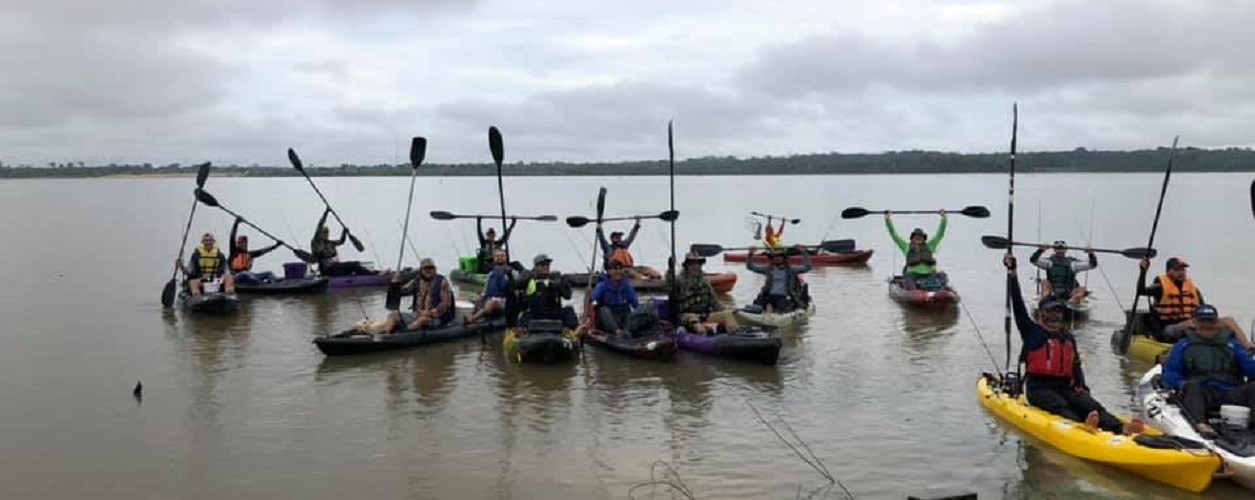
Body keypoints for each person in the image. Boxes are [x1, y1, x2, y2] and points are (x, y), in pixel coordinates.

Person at [1004, 252, 1143, 435]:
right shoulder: (1032, 331)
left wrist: (1083, 390)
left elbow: (1076, 367)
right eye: (1051, 311)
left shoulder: (1067, 337)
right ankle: (1083, 427)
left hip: (1065, 386)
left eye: (1058, 311)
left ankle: (1121, 428)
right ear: (1042, 313)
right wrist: (1012, 273)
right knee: (1062, 407)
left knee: (1090, 405)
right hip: (1039, 388)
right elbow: (1018, 304)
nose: (1055, 315)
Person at [1161, 304, 1255, 438]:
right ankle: (1201, 425)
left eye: (1211, 321)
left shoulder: (1232, 344)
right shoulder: (1183, 345)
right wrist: (1181, 384)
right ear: (1195, 323)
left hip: (1229, 394)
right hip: (1201, 394)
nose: (1207, 326)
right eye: (1202, 322)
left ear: (1217, 323)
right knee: (1193, 386)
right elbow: (1171, 373)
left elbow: (1250, 368)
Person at [670, 252, 739, 335]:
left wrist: (726, 310)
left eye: (698, 264)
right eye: (692, 264)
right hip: (687, 315)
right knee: (697, 325)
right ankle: (702, 336)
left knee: (727, 315)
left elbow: (714, 301)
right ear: (687, 265)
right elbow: (667, 286)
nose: (695, 267)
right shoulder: (679, 280)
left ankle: (735, 335)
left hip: (704, 314)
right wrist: (670, 269)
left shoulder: (704, 281)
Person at [1138, 257, 1204, 341]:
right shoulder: (1160, 288)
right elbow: (1141, 291)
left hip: (1190, 326)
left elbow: (1203, 310)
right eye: (1176, 269)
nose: (1181, 273)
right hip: (1166, 329)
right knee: (1186, 326)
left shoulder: (1194, 291)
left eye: (1183, 270)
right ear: (1168, 272)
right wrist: (1143, 271)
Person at [379, 258, 454, 331]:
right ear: (421, 270)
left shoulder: (442, 282)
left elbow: (445, 304)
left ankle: (406, 332)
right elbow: (402, 292)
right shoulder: (416, 281)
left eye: (431, 268)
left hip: (437, 318)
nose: (428, 270)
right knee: (393, 315)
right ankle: (386, 333)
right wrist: (395, 284)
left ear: (435, 269)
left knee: (422, 320)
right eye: (426, 268)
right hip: (417, 315)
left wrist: (429, 313)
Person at [885, 210, 947, 290]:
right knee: (908, 276)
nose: (918, 238)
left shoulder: (931, 245)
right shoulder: (906, 246)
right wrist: (888, 220)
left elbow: (940, 234)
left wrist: (944, 218)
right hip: (913, 274)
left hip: (929, 274)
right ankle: (914, 292)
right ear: (912, 238)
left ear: (923, 238)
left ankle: (941, 291)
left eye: (920, 237)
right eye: (916, 236)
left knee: (942, 275)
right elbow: (894, 235)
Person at [515, 254, 578, 329]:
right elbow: (516, 288)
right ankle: (521, 333)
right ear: (535, 266)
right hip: (535, 312)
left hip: (553, 312)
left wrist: (565, 284)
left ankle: (573, 333)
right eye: (542, 265)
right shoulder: (530, 279)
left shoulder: (555, 279)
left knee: (569, 310)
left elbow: (567, 296)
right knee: (524, 315)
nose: (546, 267)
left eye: (547, 265)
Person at [746, 244, 812, 314]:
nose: (777, 258)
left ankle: (778, 314)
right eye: (775, 257)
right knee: (757, 306)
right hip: (769, 296)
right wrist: (750, 254)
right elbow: (750, 267)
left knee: (781, 308)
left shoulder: (791, 269)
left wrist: (804, 252)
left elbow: (807, 267)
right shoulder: (767, 269)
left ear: (783, 258)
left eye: (779, 256)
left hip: (784, 297)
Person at [310, 208, 377, 276]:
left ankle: (372, 273)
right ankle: (372, 275)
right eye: (324, 232)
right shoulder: (316, 242)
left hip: (336, 267)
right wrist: (326, 213)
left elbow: (341, 241)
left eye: (327, 232)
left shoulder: (330, 243)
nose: (326, 234)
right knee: (353, 266)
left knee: (356, 263)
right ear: (320, 233)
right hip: (328, 270)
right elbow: (320, 225)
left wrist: (344, 233)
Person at [1030, 241, 1096, 306]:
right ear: (1054, 250)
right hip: (1053, 291)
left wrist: (1090, 254)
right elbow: (1034, 260)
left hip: (1069, 292)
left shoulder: (1073, 264)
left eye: (1062, 248)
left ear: (1066, 250)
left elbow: (1092, 265)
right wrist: (1041, 250)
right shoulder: (1048, 262)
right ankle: (1045, 298)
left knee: (1082, 289)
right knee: (1044, 282)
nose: (1060, 250)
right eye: (1058, 248)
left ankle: (1072, 301)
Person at [589, 260, 641, 336]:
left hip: (622, 314)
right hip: (607, 317)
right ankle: (617, 332)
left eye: (620, 269)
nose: (618, 271)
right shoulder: (602, 286)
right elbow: (593, 300)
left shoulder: (627, 286)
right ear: (609, 271)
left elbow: (635, 304)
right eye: (615, 269)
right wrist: (595, 306)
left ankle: (628, 331)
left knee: (633, 313)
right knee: (604, 310)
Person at [465, 249, 517, 325]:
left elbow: (516, 288)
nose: (500, 258)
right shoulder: (491, 273)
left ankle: (473, 319)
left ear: (506, 257)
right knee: (478, 300)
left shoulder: (511, 272)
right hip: (490, 297)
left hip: (504, 300)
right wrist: (482, 296)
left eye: (502, 256)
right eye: (497, 256)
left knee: (492, 303)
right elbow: (486, 288)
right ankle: (471, 315)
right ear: (494, 258)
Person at [228, 218, 283, 285]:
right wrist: (236, 224)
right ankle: (262, 286)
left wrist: (276, 246)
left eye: (244, 243)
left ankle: (274, 285)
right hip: (236, 276)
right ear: (238, 243)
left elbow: (264, 251)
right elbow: (232, 237)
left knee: (269, 273)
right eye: (241, 243)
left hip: (249, 276)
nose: (243, 244)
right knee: (246, 274)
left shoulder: (250, 254)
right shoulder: (234, 251)